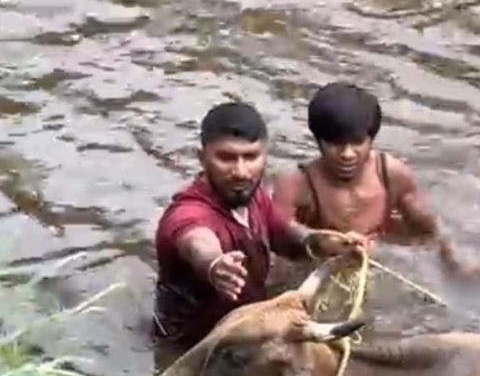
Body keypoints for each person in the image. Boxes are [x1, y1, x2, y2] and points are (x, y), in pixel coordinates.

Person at [153, 100, 368, 350]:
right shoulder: (187, 214)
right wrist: (214, 266)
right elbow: (195, 242)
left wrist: (324, 242)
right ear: (202, 158)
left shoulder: (252, 195)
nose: (241, 172)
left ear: (264, 156)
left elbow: (285, 235)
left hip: (250, 332)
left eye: (251, 157)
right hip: (196, 351)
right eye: (226, 158)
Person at [271, 81, 475, 276]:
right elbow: (276, 239)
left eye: (357, 142)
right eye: (336, 144)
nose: (347, 154)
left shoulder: (392, 175)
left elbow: (429, 232)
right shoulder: (295, 186)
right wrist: (322, 243)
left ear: (371, 139)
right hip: (318, 265)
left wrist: (453, 262)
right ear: (319, 141)